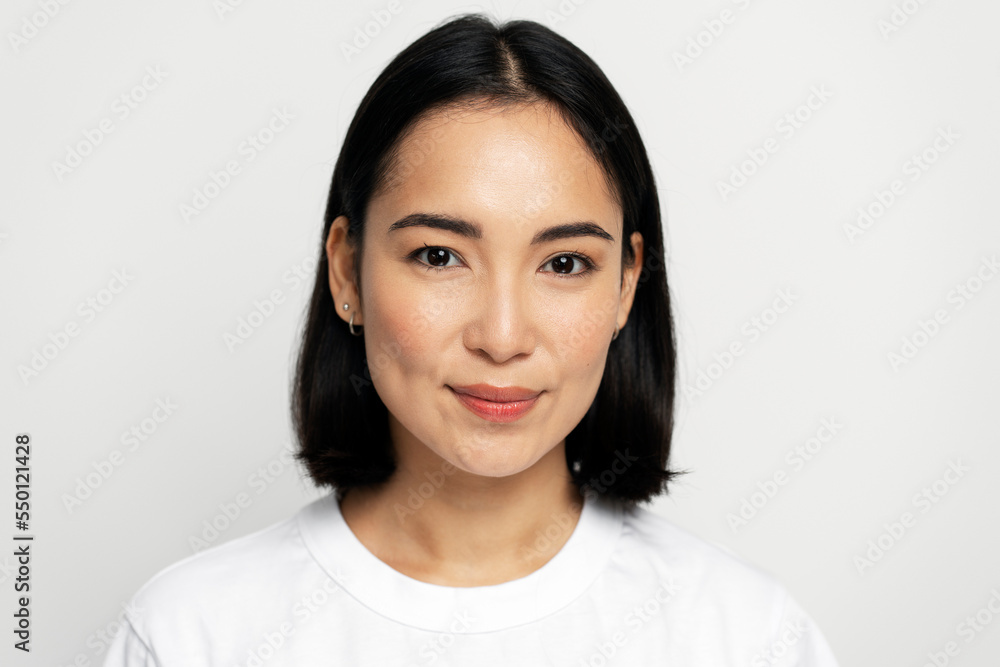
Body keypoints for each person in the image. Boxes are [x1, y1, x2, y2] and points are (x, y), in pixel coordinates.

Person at [104, 13, 840, 665]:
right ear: (347, 271)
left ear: (625, 285)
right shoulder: (191, 635)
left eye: (564, 263)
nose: (503, 335)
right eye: (439, 255)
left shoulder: (746, 637)